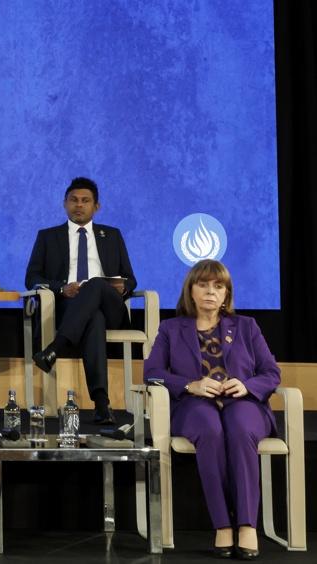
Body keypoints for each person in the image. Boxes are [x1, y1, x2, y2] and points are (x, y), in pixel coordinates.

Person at [143, 260, 276, 560]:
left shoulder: (246, 326)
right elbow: (151, 372)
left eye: (218, 286)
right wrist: (191, 385)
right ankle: (222, 525)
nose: (210, 292)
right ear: (190, 291)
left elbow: (271, 372)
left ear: (227, 295)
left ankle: (246, 524)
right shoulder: (171, 329)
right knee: (210, 429)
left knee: (241, 428)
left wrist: (247, 386)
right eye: (203, 284)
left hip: (243, 403)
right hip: (194, 405)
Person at [25, 177, 136, 424]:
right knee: (92, 319)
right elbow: (31, 278)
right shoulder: (47, 237)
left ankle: (55, 349)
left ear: (96, 206)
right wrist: (62, 288)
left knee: (95, 284)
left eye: (85, 201)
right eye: (74, 200)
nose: (79, 205)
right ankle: (102, 405)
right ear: (64, 203)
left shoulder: (113, 236)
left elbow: (131, 280)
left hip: (112, 309)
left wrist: (120, 286)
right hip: (71, 309)